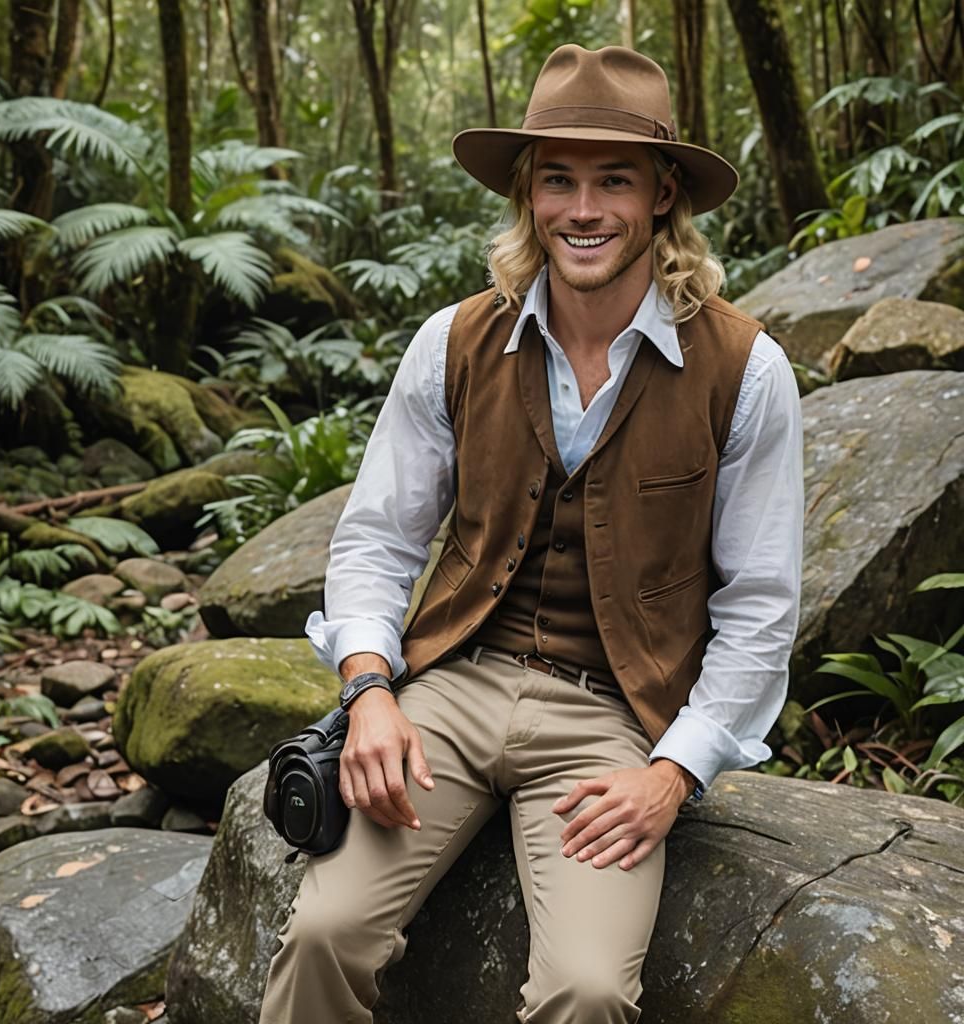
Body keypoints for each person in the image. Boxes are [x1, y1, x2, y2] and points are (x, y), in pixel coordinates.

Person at [258, 43, 803, 1024]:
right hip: (451, 690)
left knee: (586, 989)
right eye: (557, 179)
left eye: (612, 181)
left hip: (610, 718)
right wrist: (370, 690)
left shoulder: (745, 367)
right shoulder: (454, 340)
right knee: (322, 933)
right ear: (527, 192)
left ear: (663, 193)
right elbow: (377, 539)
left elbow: (760, 603)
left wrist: (673, 774)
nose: (582, 210)